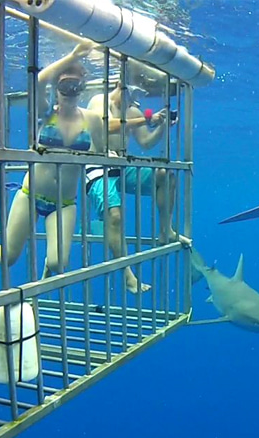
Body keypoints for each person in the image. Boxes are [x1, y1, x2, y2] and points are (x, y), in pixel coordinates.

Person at [0, 42, 108, 279]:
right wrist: (71, 55)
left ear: (82, 88)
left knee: (59, 263)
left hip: (64, 202)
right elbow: (38, 81)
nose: (70, 90)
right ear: (56, 88)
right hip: (30, 194)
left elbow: (101, 154)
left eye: (76, 85)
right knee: (8, 258)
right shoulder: (46, 112)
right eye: (64, 84)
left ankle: (47, 272)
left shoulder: (92, 120)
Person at [85, 77, 190, 293]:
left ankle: (166, 230)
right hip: (96, 166)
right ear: (119, 85)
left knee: (166, 176)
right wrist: (145, 119)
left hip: (122, 166)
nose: (136, 98)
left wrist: (161, 125)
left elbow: (146, 142)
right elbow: (106, 125)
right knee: (114, 216)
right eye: (133, 92)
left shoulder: (132, 112)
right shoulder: (99, 101)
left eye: (140, 93)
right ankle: (127, 276)